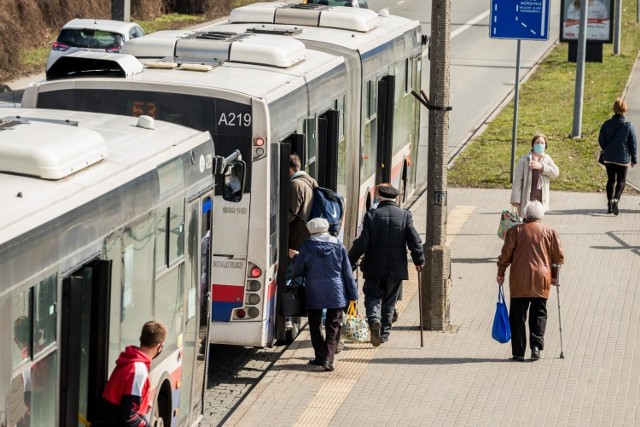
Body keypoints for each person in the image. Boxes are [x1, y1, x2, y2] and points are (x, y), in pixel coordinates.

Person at [348, 185, 424, 347]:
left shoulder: (372, 216)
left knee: (372, 296)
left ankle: (374, 320)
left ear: (379, 197)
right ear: (396, 199)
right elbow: (414, 241)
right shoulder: (405, 216)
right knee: (390, 301)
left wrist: (349, 260)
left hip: (373, 267)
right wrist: (419, 260)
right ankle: (383, 333)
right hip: (396, 269)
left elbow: (362, 243)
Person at [497, 201, 565, 362]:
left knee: (517, 316)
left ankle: (518, 352)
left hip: (519, 280)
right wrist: (555, 276)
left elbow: (505, 254)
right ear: (541, 215)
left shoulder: (515, 231)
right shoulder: (550, 231)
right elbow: (558, 258)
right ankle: (536, 347)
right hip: (541, 279)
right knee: (539, 314)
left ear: (526, 214)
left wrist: (501, 272)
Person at [289, 218, 358, 372]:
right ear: (327, 229)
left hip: (314, 290)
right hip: (336, 290)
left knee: (314, 324)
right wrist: (353, 294)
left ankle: (320, 355)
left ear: (310, 231)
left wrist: (295, 257)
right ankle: (328, 359)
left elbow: (298, 270)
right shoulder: (338, 245)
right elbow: (347, 271)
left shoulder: (307, 247)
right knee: (333, 325)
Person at [91, 321, 167, 427]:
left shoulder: (128, 360)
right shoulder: (138, 371)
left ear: (141, 339)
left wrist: (142, 405)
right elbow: (129, 417)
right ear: (160, 346)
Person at [598, 98, 638, 215]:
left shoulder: (606, 124)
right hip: (623, 158)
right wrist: (634, 159)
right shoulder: (628, 126)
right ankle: (616, 199)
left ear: (614, 109)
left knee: (611, 180)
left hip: (609, 158)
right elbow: (633, 143)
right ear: (624, 110)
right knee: (621, 180)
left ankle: (609, 204)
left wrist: (607, 149)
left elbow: (601, 140)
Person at [510, 134, 560, 219]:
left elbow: (555, 172)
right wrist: (515, 199)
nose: (540, 145)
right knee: (526, 221)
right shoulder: (524, 161)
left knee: (537, 221)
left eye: (542, 143)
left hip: (541, 197)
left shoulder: (547, 159)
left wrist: (542, 167)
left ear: (545, 145)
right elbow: (517, 181)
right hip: (527, 197)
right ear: (533, 145)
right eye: (537, 142)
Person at [288, 153, 318, 251]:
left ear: (289, 169)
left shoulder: (295, 184)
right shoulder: (311, 181)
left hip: (298, 237)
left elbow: (291, 215)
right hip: (309, 232)